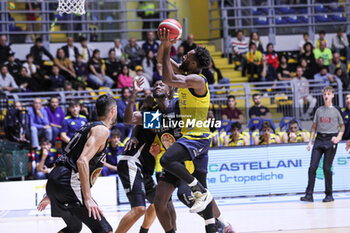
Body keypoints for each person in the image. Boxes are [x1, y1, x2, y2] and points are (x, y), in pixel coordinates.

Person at [125, 79, 234, 233]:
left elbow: (205, 113)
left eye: (162, 84)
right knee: (160, 201)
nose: (157, 85)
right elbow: (130, 119)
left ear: (170, 90)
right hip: (170, 162)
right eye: (156, 84)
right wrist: (134, 94)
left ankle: (222, 223)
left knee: (187, 196)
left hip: (187, 159)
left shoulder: (179, 106)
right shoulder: (156, 116)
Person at [157, 28, 218, 232]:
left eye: (188, 55)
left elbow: (167, 78)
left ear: (193, 63)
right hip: (193, 138)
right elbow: (160, 61)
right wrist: (165, 44)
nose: (184, 55)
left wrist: (168, 49)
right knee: (203, 190)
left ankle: (197, 190)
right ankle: (214, 226)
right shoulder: (187, 74)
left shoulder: (197, 80)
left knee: (166, 160)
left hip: (197, 136)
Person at [37, 94, 117, 233]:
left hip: (55, 180)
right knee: (105, 230)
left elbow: (66, 156)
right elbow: (82, 161)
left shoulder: (86, 127)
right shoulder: (101, 130)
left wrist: (50, 193)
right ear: (113, 111)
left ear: (96, 111)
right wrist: (88, 198)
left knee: (74, 228)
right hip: (68, 182)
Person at [301, 86, 344, 203]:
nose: (326, 96)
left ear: (333, 95)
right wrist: (310, 142)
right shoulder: (319, 110)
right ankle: (309, 195)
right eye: (325, 94)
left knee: (326, 168)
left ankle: (329, 194)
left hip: (331, 140)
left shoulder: (336, 110)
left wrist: (339, 137)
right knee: (312, 167)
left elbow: (342, 126)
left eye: (329, 94)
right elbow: (314, 127)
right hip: (319, 140)